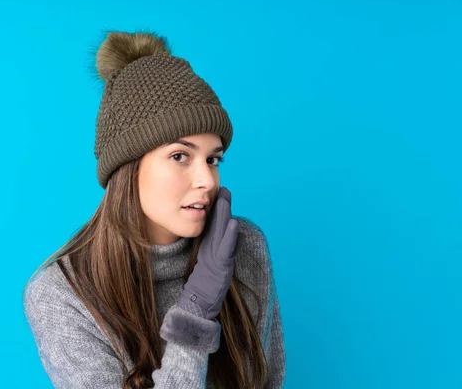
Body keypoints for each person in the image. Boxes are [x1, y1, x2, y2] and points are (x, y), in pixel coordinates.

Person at [22, 30, 286, 389]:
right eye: (180, 156)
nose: (207, 180)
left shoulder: (244, 247)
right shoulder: (62, 293)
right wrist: (197, 307)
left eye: (213, 159)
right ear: (128, 168)